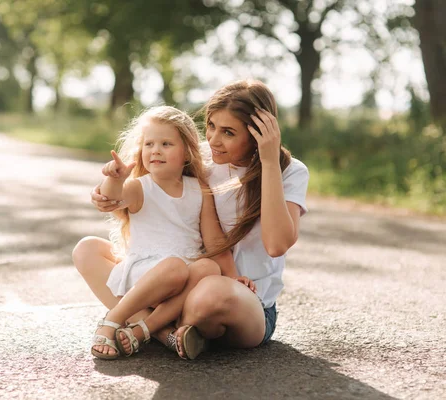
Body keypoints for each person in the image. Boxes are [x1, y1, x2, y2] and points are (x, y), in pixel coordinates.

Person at [76, 79, 309, 358]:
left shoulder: (290, 171)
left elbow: (276, 245)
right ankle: (163, 332)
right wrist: (106, 193)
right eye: (210, 126)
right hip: (175, 283)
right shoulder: (200, 158)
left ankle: (148, 324)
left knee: (208, 292)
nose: (213, 140)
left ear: (257, 134)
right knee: (89, 249)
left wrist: (269, 161)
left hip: (235, 298)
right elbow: (147, 183)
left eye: (228, 132)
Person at [81, 105, 254, 360]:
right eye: (149, 144)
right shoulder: (140, 187)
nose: (156, 151)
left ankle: (144, 329)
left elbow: (215, 240)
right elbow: (112, 195)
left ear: (186, 153)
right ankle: (113, 319)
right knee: (172, 266)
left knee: (208, 268)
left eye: (166, 144)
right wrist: (115, 179)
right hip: (147, 276)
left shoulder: (199, 189)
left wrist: (233, 277)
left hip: (185, 285)